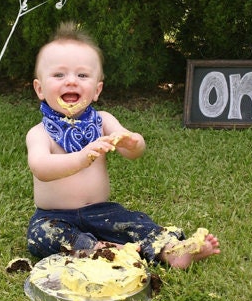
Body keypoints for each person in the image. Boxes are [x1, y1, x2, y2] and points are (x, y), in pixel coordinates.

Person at [26, 21, 220, 268]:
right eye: (59, 74)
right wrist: (80, 158)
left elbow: (133, 152)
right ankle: (101, 249)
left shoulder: (103, 121)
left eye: (82, 75)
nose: (71, 81)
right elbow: (41, 167)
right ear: (40, 88)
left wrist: (133, 141)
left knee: (136, 223)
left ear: (96, 90)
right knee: (41, 237)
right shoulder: (40, 133)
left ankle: (171, 251)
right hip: (54, 216)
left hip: (102, 212)